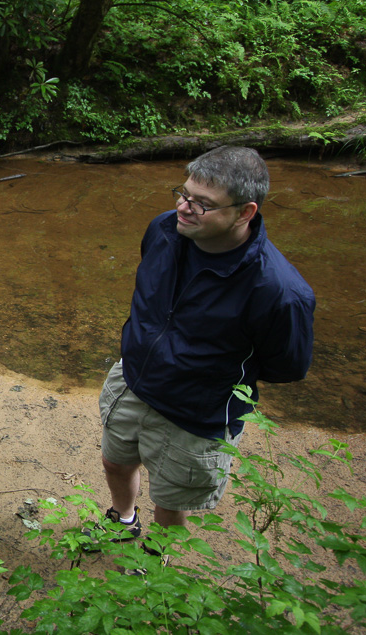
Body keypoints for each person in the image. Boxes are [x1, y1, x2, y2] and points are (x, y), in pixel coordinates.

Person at [95, 145, 315, 541]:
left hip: (197, 414)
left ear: (244, 212)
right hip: (133, 379)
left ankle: (155, 567)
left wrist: (204, 372)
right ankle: (123, 521)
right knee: (115, 462)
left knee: (170, 499)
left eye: (202, 204)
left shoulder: (279, 290)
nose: (184, 208)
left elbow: (288, 366)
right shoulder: (163, 230)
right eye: (184, 194)